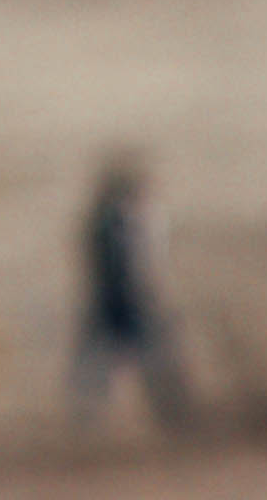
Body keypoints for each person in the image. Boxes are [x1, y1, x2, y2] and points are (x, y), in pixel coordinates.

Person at [66, 153, 199, 437]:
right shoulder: (116, 224)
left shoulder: (110, 223)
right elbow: (129, 266)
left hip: (118, 299)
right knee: (140, 356)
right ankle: (171, 411)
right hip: (123, 299)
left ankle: (171, 411)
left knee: (116, 359)